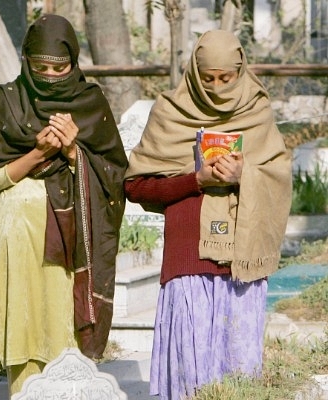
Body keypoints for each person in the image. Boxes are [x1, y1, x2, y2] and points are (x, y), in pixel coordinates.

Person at [0, 14, 128, 395]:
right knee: (24, 334)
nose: (50, 76)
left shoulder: (91, 103)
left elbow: (115, 178)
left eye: (59, 68)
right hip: (17, 240)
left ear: (74, 63)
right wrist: (37, 154)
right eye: (39, 68)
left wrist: (72, 152)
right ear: (25, 62)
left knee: (63, 332)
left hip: (69, 248)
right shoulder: (8, 101)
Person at [123, 30, 292, 399]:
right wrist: (195, 179)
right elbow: (136, 186)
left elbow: (280, 178)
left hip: (240, 266)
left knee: (238, 378)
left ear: (240, 69)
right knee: (189, 380)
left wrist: (244, 173)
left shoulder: (256, 110)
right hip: (188, 264)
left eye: (226, 78)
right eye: (208, 78)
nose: (216, 87)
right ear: (194, 73)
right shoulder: (171, 111)